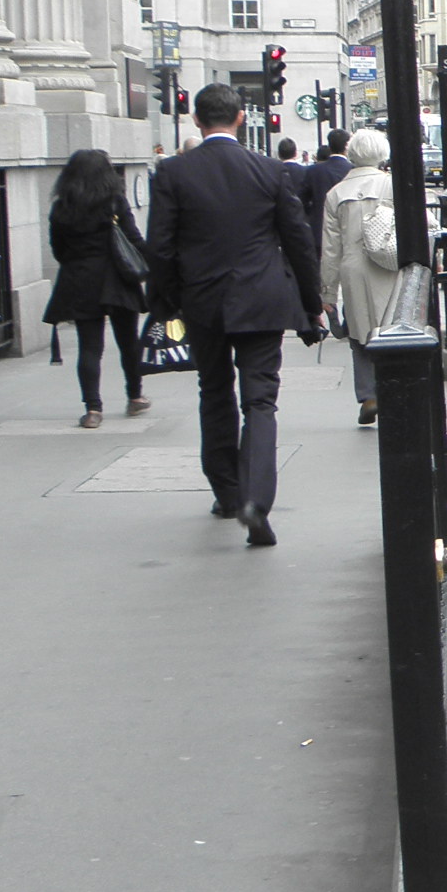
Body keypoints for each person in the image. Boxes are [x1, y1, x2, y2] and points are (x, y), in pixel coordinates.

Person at [147, 84, 324, 549]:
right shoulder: (268, 170)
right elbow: (299, 242)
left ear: (196, 122)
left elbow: (160, 247)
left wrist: (167, 302)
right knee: (260, 401)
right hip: (262, 299)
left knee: (214, 391)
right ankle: (257, 500)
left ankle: (226, 491)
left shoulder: (173, 172)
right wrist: (311, 306)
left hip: (203, 302)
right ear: (241, 118)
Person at [42, 149, 150, 429]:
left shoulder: (62, 207)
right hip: (118, 280)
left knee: (90, 348)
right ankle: (135, 396)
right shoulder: (114, 203)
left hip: (80, 280)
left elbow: (58, 250)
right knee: (128, 342)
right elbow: (134, 239)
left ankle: (93, 409)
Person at [319, 127, 398, 426]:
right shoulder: (392, 186)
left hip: (353, 268)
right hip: (389, 264)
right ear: (382, 154)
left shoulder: (336, 194)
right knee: (393, 331)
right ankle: (394, 392)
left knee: (359, 334)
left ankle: (368, 395)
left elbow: (330, 249)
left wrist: (327, 293)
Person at [300, 127, 350, 260]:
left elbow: (301, 200)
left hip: (319, 229)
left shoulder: (314, 171)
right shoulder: (352, 170)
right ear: (346, 145)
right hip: (349, 231)